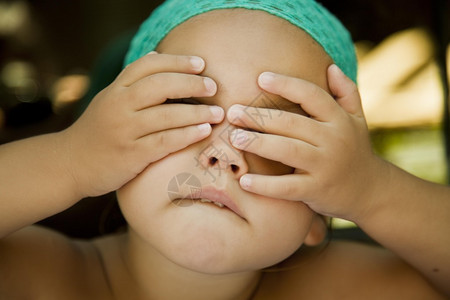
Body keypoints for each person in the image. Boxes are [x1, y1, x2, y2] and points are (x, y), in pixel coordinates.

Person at [0, 0, 449, 298]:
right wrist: (70, 160)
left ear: (319, 214)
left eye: (280, 138)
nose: (222, 154)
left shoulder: (354, 289)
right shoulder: (43, 278)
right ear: (112, 153)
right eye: (183, 111)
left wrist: (373, 190)